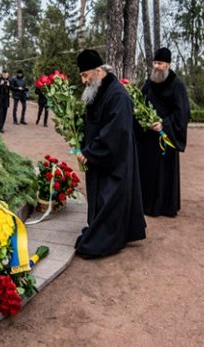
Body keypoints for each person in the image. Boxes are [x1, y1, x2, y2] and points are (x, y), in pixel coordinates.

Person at [74, 49, 146, 258]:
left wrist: (92, 151)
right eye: (81, 76)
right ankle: (100, 229)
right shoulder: (97, 90)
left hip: (115, 160)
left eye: (85, 75)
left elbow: (116, 131)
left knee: (109, 199)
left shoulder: (118, 95)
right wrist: (81, 145)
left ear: (98, 71)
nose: (83, 80)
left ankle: (108, 238)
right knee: (100, 199)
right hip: (98, 158)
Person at [133, 47, 190, 217]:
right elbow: (139, 104)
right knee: (146, 171)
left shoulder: (177, 84)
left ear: (168, 65)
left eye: (160, 63)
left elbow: (182, 113)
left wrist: (163, 124)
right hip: (147, 138)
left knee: (164, 174)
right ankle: (145, 204)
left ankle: (164, 206)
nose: (157, 66)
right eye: (155, 63)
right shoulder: (149, 82)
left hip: (165, 138)